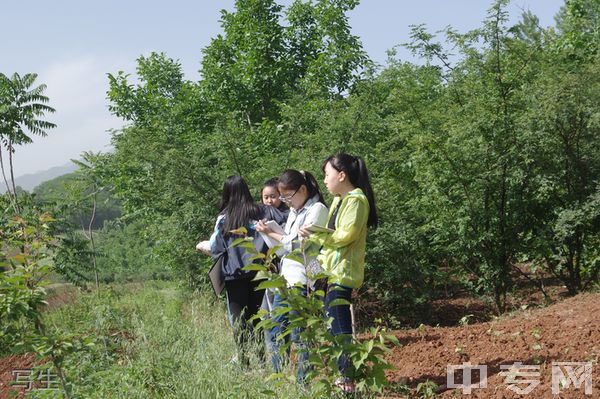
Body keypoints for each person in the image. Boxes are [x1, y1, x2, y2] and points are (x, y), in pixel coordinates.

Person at [299, 154, 378, 394]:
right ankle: (343, 377)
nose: (324, 180)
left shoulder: (356, 201)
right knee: (333, 327)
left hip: (341, 273)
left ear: (341, 175)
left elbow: (345, 236)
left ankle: (348, 382)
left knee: (342, 329)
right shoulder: (338, 199)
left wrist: (315, 234)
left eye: (327, 174)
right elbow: (330, 232)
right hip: (328, 273)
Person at [255, 169, 328, 383]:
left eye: (288, 196)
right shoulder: (295, 212)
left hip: (304, 279)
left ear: (303, 189)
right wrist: (269, 235)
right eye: (283, 197)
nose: (286, 202)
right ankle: (280, 380)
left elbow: (301, 246)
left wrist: (273, 233)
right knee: (277, 329)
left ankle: (302, 383)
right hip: (285, 278)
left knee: (300, 335)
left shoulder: (317, 210)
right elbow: (285, 246)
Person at [209, 175, 286, 366]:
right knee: (258, 318)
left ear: (226, 193)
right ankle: (261, 360)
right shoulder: (264, 210)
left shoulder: (224, 218)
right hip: (260, 272)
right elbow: (286, 221)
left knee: (239, 321)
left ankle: (244, 362)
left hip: (234, 275)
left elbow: (214, 246)